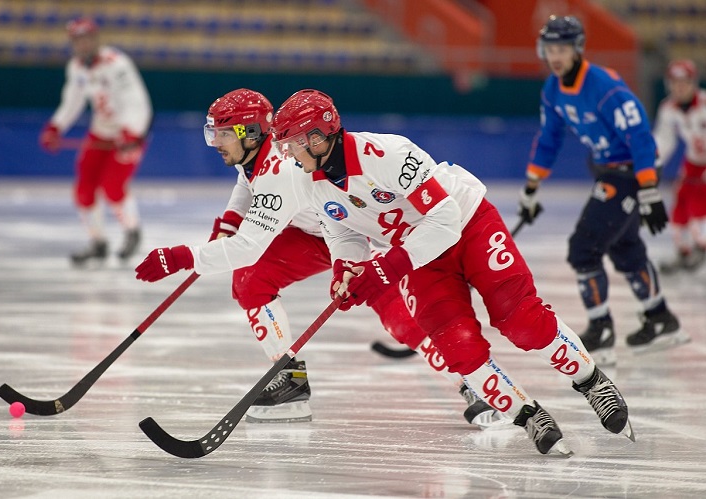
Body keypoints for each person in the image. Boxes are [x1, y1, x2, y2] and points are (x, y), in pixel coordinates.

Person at [265, 87, 634, 456]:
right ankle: (528, 415)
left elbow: (444, 219)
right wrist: (345, 269)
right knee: (458, 348)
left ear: (317, 137)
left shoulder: (387, 153)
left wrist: (385, 268)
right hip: (418, 257)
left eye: (292, 144)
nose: (288, 154)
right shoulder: (307, 181)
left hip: (468, 224)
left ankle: (591, 381)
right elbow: (342, 230)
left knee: (519, 318)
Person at [134, 88, 499, 427]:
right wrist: (229, 222)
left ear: (249, 133)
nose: (215, 143)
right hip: (314, 232)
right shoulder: (253, 154)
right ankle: (287, 377)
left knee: (397, 317)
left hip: (349, 230)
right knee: (250, 281)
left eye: (222, 134)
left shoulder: (281, 172)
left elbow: (249, 246)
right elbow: (246, 183)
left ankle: (475, 380)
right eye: (212, 133)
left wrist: (180, 257)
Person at [517, 15, 690, 366]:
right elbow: (549, 139)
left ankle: (601, 329)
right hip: (610, 172)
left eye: (562, 48)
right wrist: (531, 188)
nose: (556, 56)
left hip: (629, 175)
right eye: (550, 48)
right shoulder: (552, 89)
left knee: (584, 248)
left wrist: (649, 189)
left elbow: (640, 137)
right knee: (625, 247)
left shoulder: (604, 86)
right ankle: (660, 318)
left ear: (578, 49)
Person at [39, 17, 152, 267]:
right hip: (100, 132)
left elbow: (136, 100)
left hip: (128, 134)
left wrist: (132, 132)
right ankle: (97, 242)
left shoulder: (117, 64)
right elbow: (72, 101)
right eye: (78, 40)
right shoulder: (76, 68)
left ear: (95, 38)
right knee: (84, 189)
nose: (83, 44)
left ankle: (132, 231)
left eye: (87, 38)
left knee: (113, 186)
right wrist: (56, 126)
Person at [653, 59, 706, 274]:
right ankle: (683, 250)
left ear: (693, 83)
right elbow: (663, 142)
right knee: (681, 199)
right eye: (675, 82)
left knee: (698, 201)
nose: (679, 87)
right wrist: (650, 164)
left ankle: (701, 245)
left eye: (684, 82)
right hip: (693, 162)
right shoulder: (668, 109)